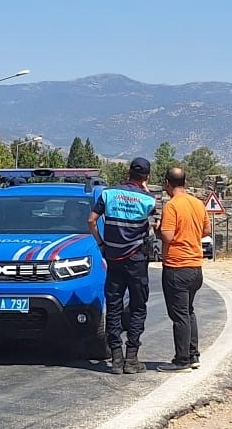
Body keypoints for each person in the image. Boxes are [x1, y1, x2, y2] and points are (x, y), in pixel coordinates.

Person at [90, 157, 160, 374]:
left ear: (128, 171)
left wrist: (101, 243)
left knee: (114, 306)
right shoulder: (148, 200)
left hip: (113, 259)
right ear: (146, 177)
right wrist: (145, 189)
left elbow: (91, 220)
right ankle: (132, 358)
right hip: (137, 259)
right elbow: (156, 224)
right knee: (138, 307)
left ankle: (116, 358)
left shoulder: (108, 194)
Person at [158, 166, 210, 372]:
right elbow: (206, 230)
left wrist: (158, 229)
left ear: (167, 184)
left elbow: (168, 237)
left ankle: (181, 360)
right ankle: (193, 354)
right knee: (188, 311)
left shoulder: (171, 206)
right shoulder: (198, 204)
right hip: (196, 266)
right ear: (185, 183)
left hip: (176, 266)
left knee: (179, 315)